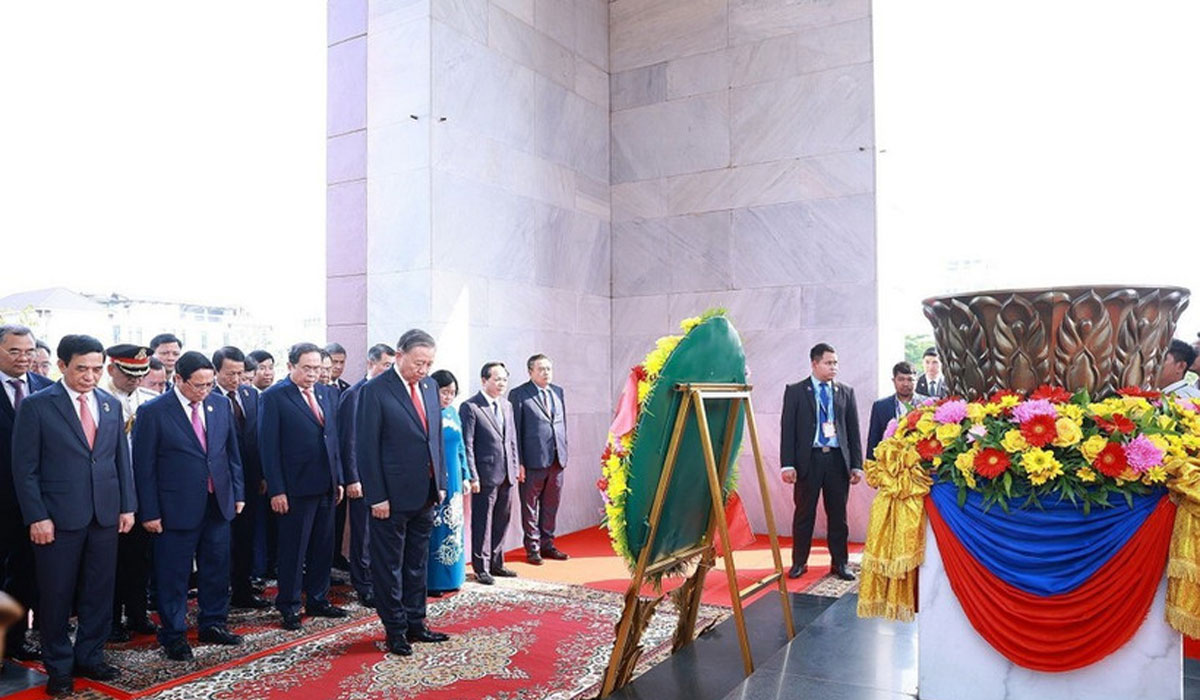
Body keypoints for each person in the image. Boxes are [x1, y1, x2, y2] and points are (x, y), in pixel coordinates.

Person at [12, 334, 136, 697]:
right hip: (56, 518)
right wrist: (37, 516)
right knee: (56, 596)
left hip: (105, 515)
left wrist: (127, 506)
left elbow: (119, 461)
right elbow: (25, 469)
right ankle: (59, 667)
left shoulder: (110, 405)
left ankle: (91, 656)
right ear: (62, 365)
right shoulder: (37, 406)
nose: (90, 376)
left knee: (99, 592)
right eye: (82, 368)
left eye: (97, 369)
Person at [133, 351, 245, 661]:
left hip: (217, 502)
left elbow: (230, 453)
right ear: (178, 380)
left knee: (217, 568)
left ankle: (213, 622)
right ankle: (173, 634)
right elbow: (144, 468)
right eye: (198, 385)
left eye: (210, 384)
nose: (205, 390)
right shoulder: (154, 411)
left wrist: (237, 492)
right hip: (173, 508)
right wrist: (150, 512)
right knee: (173, 575)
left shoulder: (220, 404)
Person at [356, 329, 449, 656]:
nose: (423, 370)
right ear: (399, 355)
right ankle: (394, 628)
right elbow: (366, 448)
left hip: (425, 493)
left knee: (417, 563)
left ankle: (416, 621)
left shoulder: (430, 386)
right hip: (390, 498)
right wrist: (376, 496)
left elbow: (433, 438)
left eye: (429, 363)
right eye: (418, 363)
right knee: (389, 566)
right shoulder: (375, 390)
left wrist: (440, 482)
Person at [259, 343, 347, 631]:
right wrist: (277, 489)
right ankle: (289, 604)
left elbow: (333, 440)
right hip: (294, 487)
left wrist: (340, 479)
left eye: (317, 368)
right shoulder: (274, 397)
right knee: (294, 550)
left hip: (326, 484)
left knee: (323, 547)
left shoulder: (327, 393)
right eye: (306, 368)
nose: (313, 374)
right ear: (291, 366)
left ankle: (318, 598)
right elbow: (268, 447)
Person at [780, 343, 863, 582]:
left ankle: (840, 563)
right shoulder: (796, 391)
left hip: (837, 461)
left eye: (835, 363)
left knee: (838, 515)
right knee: (804, 514)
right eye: (828, 363)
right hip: (809, 461)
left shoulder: (845, 391)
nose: (833, 367)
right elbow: (788, 430)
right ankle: (799, 562)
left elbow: (853, 431)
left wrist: (856, 464)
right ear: (814, 364)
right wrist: (788, 464)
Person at [0, 325, 52, 662]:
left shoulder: (47, 390)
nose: (24, 358)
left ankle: (15, 642)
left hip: (36, 503)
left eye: (29, 351)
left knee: (25, 575)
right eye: (14, 351)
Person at [103, 344, 160, 643]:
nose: (135, 380)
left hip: (141, 492)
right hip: (109, 495)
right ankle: (110, 619)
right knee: (109, 563)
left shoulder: (151, 401)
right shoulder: (100, 400)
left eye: (141, 374)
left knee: (140, 559)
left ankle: (137, 613)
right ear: (112, 369)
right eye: (129, 374)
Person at [336, 343, 395, 608]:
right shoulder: (354, 394)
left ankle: (381, 581)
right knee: (363, 534)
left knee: (383, 534)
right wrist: (352, 478)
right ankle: (363, 584)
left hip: (387, 476)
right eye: (385, 365)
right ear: (371, 364)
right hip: (362, 477)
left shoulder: (391, 391)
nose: (389, 370)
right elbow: (348, 440)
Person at [212, 346, 270, 610]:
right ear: (216, 372)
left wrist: (262, 475)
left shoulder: (250, 395)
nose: (236, 379)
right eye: (230, 373)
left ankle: (243, 591)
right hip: (220, 484)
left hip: (250, 480)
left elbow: (258, 439)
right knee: (221, 543)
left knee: (247, 538)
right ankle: (218, 595)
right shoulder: (208, 396)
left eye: (240, 373)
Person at [461, 362, 520, 584]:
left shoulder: (507, 406)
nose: (502, 383)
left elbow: (512, 440)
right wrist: (472, 475)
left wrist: (515, 467)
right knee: (482, 522)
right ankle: (481, 567)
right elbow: (468, 444)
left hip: (507, 474)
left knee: (501, 520)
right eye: (497, 379)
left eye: (505, 379)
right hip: (485, 476)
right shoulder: (471, 407)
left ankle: (497, 562)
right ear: (484, 380)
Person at [509, 353, 569, 564]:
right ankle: (532, 548)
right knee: (530, 506)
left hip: (556, 459)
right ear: (530, 372)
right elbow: (514, 431)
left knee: (551, 505)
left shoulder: (558, 392)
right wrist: (519, 463)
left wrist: (564, 450)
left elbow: (561, 424)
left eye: (548, 369)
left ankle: (547, 544)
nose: (546, 373)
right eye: (541, 369)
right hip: (532, 461)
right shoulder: (519, 395)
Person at [428, 369, 472, 594]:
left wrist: (466, 474)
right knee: (436, 526)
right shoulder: (427, 413)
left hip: (455, 476)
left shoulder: (454, 413)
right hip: (435, 477)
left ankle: (454, 576)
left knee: (454, 525)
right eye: (444, 392)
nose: (448, 397)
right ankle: (433, 581)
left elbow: (462, 446)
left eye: (452, 393)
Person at [867, 362, 918, 458]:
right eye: (901, 379)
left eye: (910, 380)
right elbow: (874, 440)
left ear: (917, 381)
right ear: (894, 381)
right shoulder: (880, 407)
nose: (906, 384)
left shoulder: (926, 405)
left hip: (919, 463)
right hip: (890, 462)